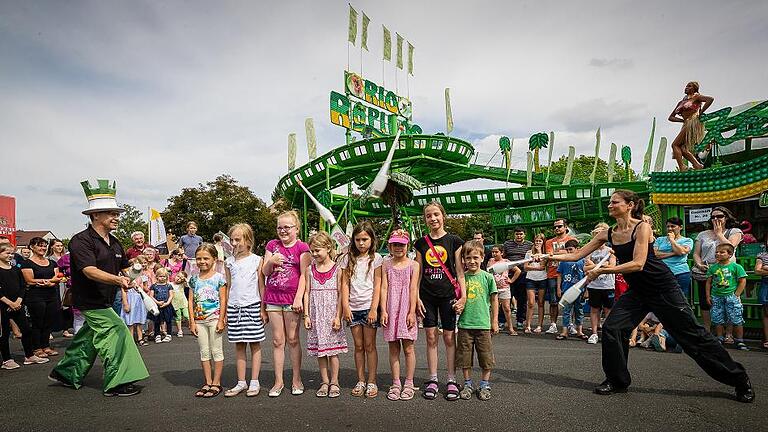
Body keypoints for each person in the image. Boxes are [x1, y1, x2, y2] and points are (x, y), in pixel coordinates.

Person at [541, 189, 753, 403]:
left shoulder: (642, 227)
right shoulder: (608, 233)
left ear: (630, 205)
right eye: (610, 203)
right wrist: (547, 255)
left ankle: (739, 378)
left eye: (615, 202)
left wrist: (602, 270)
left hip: (662, 288)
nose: (610, 205)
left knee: (692, 337)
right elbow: (577, 254)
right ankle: (617, 380)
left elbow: (638, 263)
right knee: (613, 328)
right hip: (638, 292)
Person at [48, 179, 149, 396]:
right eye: (111, 213)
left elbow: (125, 268)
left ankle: (66, 373)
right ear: (95, 216)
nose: (116, 217)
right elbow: (89, 271)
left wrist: (137, 268)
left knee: (88, 338)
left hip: (108, 299)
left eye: (116, 213)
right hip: (90, 301)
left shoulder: (115, 242)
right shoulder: (80, 241)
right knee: (117, 332)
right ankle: (117, 383)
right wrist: (118, 280)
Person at [413, 201, 466, 401]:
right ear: (425, 219)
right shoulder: (421, 243)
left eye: (436, 214)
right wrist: (415, 297)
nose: (433, 218)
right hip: (426, 296)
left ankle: (451, 379)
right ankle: (433, 379)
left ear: (443, 215)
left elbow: (460, 273)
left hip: (448, 295)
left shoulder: (454, 241)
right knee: (431, 338)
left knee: (449, 338)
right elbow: (417, 273)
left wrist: (464, 296)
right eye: (428, 215)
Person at [262, 210, 310, 397]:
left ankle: (296, 379)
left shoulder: (302, 247)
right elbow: (265, 272)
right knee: (277, 341)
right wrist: (271, 261)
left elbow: (305, 276)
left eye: (287, 227)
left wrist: (299, 298)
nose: (283, 231)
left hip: (291, 299)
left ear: (296, 229)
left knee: (293, 339)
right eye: (280, 227)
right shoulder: (272, 245)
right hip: (273, 298)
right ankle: (278, 381)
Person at [340, 221, 383, 398]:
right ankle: (360, 380)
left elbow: (378, 285)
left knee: (369, 346)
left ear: (372, 240)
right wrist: (345, 307)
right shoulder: (346, 259)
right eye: (357, 239)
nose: (361, 243)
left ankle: (372, 381)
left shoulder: (377, 259)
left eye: (365, 239)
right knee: (358, 346)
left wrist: (374, 308)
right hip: (353, 308)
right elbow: (344, 284)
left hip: (368, 308)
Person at [223, 224, 266, 398]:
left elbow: (261, 286)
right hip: (234, 307)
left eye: (238, 239)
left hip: (252, 306)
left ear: (248, 240)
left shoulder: (257, 260)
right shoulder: (228, 262)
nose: (234, 243)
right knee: (239, 345)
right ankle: (241, 382)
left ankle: (254, 381)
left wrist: (263, 309)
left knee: (255, 344)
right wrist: (224, 311)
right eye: (232, 239)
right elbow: (228, 286)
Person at [303, 231, 347, 399]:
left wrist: (338, 316)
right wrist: (306, 315)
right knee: (320, 352)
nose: (314, 254)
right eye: (312, 251)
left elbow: (341, 294)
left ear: (328, 248)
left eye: (317, 250)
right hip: (316, 315)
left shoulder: (338, 269)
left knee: (333, 352)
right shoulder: (309, 269)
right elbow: (307, 292)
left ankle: (335, 381)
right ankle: (324, 381)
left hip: (331, 315)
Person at [456, 240, 499, 401]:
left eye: (475, 257)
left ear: (482, 258)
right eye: (468, 258)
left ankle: (484, 384)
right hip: (465, 324)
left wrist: (494, 321)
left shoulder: (488, 278)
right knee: (464, 357)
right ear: (463, 260)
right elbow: (457, 298)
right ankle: (467, 383)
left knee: (486, 357)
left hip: (483, 324)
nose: (472, 261)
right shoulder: (461, 278)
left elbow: (494, 300)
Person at [380, 229, 418, 401]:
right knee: (393, 347)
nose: (398, 248)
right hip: (391, 307)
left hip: (406, 308)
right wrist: (384, 310)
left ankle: (409, 382)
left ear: (407, 245)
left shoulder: (413, 265)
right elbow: (383, 288)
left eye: (401, 244)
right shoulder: (386, 264)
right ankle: (396, 382)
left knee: (408, 347)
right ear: (390, 246)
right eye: (395, 244)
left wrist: (411, 311)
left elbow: (413, 288)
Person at [692, 206, 743, 335]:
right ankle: (708, 330)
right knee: (706, 302)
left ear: (726, 217)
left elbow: (730, 247)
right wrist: (699, 264)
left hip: (727, 272)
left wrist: (719, 233)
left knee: (729, 303)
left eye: (719, 216)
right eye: (713, 216)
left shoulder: (734, 231)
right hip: (707, 270)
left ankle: (729, 333)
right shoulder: (703, 234)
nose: (716, 219)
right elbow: (696, 253)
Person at [188, 243, 228, 398]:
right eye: (199, 259)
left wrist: (221, 319)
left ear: (214, 259)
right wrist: (191, 321)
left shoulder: (219, 278)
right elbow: (190, 301)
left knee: (216, 350)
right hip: (199, 321)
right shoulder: (193, 280)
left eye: (206, 258)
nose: (202, 261)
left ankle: (216, 383)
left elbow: (223, 299)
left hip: (214, 319)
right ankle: (208, 382)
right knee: (204, 352)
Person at [1, 243, 49, 368]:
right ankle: (6, 359)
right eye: (7, 253)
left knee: (26, 330)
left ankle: (29, 355)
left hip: (18, 304)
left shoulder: (16, 269)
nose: (10, 255)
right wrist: (9, 302)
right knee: (4, 333)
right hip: (3, 305)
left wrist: (18, 301)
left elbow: (23, 286)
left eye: (12, 253)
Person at [20, 237, 61, 358]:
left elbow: (57, 277)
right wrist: (48, 280)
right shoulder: (27, 263)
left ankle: (46, 346)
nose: (43, 248)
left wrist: (52, 282)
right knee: (38, 322)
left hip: (51, 295)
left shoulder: (52, 263)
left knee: (48, 322)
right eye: (40, 246)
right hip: (35, 296)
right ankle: (36, 348)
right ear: (32, 247)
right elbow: (29, 280)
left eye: (44, 246)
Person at [705, 243, 749, 351]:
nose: (718, 254)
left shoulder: (736, 266)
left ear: (730, 254)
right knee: (717, 318)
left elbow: (742, 280)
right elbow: (708, 282)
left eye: (721, 252)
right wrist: (708, 296)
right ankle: (719, 338)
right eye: (717, 252)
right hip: (716, 296)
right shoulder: (713, 268)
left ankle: (740, 340)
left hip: (731, 296)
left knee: (736, 318)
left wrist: (737, 294)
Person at [668, 81, 714, 171]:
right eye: (686, 86)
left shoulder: (696, 97)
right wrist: (682, 120)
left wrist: (701, 112)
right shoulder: (681, 102)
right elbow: (671, 117)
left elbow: (710, 99)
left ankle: (682, 167)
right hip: (686, 124)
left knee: (674, 145)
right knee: (683, 149)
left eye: (689, 86)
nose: (686, 87)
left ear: (694, 89)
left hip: (693, 122)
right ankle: (698, 165)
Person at [585, 223, 616, 344]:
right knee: (594, 309)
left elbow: (612, 266)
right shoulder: (590, 252)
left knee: (608, 310)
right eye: (596, 234)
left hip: (608, 285)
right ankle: (594, 334)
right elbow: (585, 269)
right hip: (594, 285)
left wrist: (594, 266)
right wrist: (603, 265)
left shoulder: (610, 251)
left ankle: (607, 334)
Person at [544, 219, 576, 334]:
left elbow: (574, 254)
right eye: (555, 227)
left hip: (569, 273)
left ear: (565, 226)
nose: (557, 228)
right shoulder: (548, 242)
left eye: (559, 226)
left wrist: (555, 253)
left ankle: (570, 324)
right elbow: (549, 255)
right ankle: (553, 324)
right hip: (552, 273)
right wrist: (563, 252)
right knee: (553, 301)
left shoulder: (572, 239)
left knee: (570, 301)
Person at [654, 217, 693, 299]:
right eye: (668, 226)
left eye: (673, 226)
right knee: (663, 298)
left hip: (680, 273)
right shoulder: (660, 240)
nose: (670, 229)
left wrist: (672, 240)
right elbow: (655, 254)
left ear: (680, 227)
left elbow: (681, 252)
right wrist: (674, 253)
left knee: (680, 298)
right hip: (662, 272)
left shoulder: (687, 240)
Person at [556, 240, 587, 340]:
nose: (569, 252)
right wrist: (558, 288)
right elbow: (559, 275)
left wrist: (586, 290)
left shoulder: (582, 260)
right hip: (566, 289)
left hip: (579, 290)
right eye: (567, 250)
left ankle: (579, 331)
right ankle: (565, 331)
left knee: (579, 311)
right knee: (566, 311)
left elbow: (586, 275)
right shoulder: (563, 261)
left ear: (577, 249)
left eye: (571, 249)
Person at [503, 227, 532, 331]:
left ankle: (520, 320)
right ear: (514, 235)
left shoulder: (529, 245)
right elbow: (504, 257)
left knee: (522, 299)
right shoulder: (507, 244)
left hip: (523, 275)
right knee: (506, 299)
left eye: (521, 234)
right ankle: (502, 321)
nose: (519, 236)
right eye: (517, 234)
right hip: (508, 274)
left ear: (524, 235)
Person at [488, 245, 520, 335]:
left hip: (504, 288)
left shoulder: (506, 262)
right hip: (493, 288)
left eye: (496, 252)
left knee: (507, 308)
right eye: (493, 252)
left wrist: (511, 280)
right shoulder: (490, 261)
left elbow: (518, 271)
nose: (494, 254)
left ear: (501, 253)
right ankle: (493, 326)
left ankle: (510, 328)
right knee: (493, 308)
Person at [524, 234, 548, 334]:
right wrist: (535, 268)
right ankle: (528, 325)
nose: (538, 243)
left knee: (541, 303)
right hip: (530, 279)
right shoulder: (529, 253)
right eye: (536, 241)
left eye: (540, 241)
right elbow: (525, 267)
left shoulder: (545, 254)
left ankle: (539, 325)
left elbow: (543, 266)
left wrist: (539, 252)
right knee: (530, 303)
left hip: (542, 278)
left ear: (543, 242)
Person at [149, 267, 175, 344]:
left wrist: (167, 303)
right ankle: (157, 335)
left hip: (167, 306)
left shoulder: (169, 286)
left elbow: (171, 295)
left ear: (167, 277)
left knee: (168, 320)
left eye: (164, 276)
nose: (162, 278)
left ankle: (169, 335)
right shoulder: (154, 286)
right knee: (157, 321)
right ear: (156, 276)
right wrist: (157, 302)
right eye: (160, 276)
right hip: (157, 306)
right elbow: (151, 296)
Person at [119, 277, 147, 346]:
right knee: (129, 321)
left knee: (139, 320)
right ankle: (131, 339)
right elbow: (123, 290)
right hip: (130, 300)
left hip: (138, 300)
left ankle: (140, 338)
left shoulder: (140, 278)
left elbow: (142, 290)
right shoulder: (125, 278)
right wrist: (125, 303)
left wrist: (138, 287)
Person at [755, 238, 768, 350]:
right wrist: (763, 268)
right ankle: (767, 340)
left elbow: (762, 269)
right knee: (766, 313)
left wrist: (766, 267)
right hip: (766, 284)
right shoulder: (762, 255)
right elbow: (757, 270)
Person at [170, 271, 188, 337]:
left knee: (186, 315)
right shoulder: (170, 284)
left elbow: (188, 285)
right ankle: (180, 330)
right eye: (178, 276)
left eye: (180, 278)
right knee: (178, 317)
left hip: (183, 303)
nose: (178, 279)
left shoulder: (182, 285)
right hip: (175, 304)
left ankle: (192, 325)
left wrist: (185, 279)